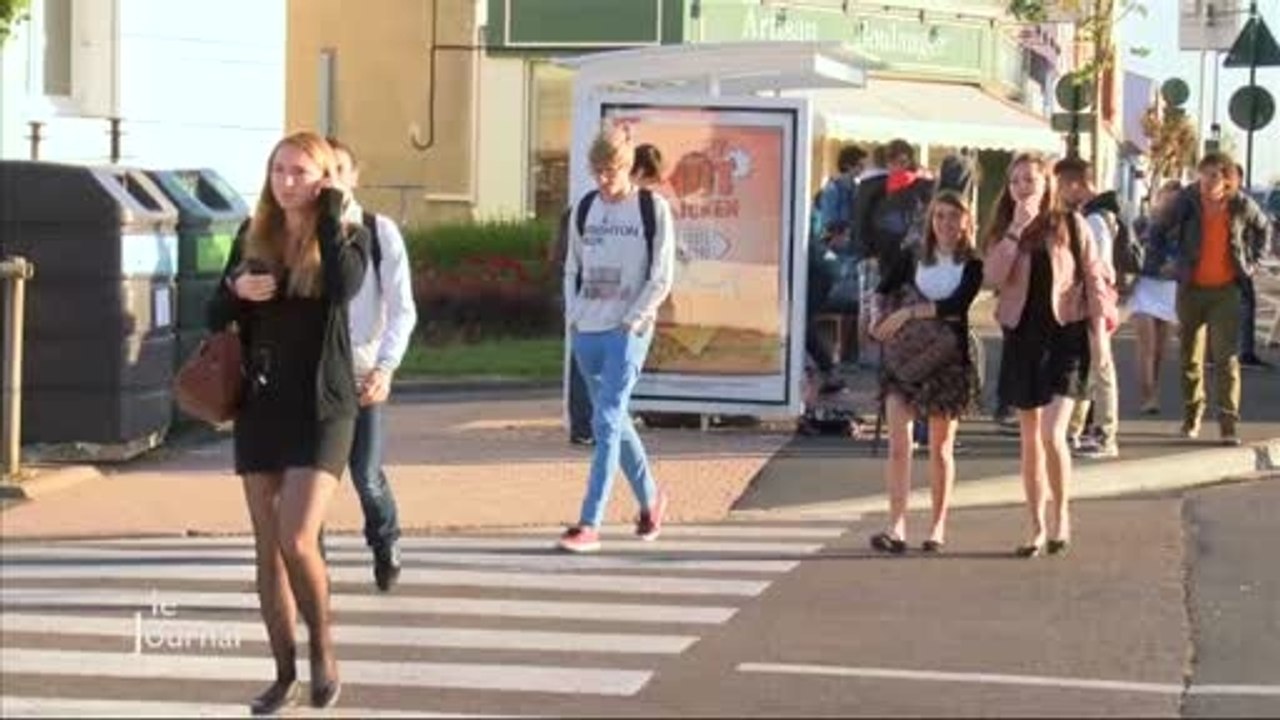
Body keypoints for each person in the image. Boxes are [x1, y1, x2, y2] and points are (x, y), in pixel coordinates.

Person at [207, 131, 369, 712]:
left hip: (324, 408)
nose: (287, 181)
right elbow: (211, 312)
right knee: (267, 548)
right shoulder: (254, 236)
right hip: (263, 405)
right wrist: (236, 289)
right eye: (279, 170)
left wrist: (330, 210)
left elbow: (347, 288)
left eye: (300, 172)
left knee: (298, 537)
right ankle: (283, 674)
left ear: (323, 177)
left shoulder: (349, 233)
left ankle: (324, 649)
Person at [983, 152, 1111, 557]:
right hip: (1023, 337)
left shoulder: (1071, 224)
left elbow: (1094, 277)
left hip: (1065, 335)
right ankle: (1035, 525)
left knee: (1052, 433)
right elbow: (991, 277)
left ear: (1047, 185)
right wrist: (1015, 231)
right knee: (1029, 438)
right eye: (1016, 181)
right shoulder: (1006, 228)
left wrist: (1101, 334)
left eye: (1030, 180)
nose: (1023, 187)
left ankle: (1062, 514)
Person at [557, 128, 676, 553]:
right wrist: (572, 314)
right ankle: (651, 502)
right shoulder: (585, 208)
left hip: (628, 331)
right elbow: (571, 265)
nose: (604, 181)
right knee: (616, 421)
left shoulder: (651, 208)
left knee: (605, 421)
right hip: (587, 328)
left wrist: (633, 320)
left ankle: (590, 522)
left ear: (628, 168)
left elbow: (661, 275)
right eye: (598, 172)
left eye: (611, 172)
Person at [868, 191, 983, 553]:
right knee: (899, 444)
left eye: (954, 216)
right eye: (940, 216)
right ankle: (896, 525)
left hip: (946, 361)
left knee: (940, 447)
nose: (946, 224)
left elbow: (957, 306)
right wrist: (876, 319)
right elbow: (882, 290)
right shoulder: (911, 257)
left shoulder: (973, 264)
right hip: (903, 359)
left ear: (966, 220)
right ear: (931, 221)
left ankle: (937, 527)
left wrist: (909, 313)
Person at [329, 137, 418, 592]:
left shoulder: (377, 231)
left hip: (363, 372)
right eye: (322, 171)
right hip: (312, 376)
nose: (331, 180)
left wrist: (385, 368)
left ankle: (386, 540)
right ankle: (310, 563)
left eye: (339, 170)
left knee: (365, 473)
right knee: (311, 478)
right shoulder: (296, 230)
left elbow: (403, 308)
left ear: (353, 176)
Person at [1147, 152, 1273, 445]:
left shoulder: (1239, 203)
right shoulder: (1187, 201)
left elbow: (1263, 228)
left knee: (1225, 358)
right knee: (1190, 358)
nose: (1207, 181)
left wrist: (1252, 262)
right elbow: (1157, 229)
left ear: (1226, 178)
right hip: (1191, 289)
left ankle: (1228, 424)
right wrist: (1163, 263)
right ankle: (1192, 417)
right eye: (1203, 174)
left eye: (1214, 175)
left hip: (1225, 291)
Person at [1056, 157, 1122, 459]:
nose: (1058, 193)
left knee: (1100, 365)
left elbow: (1097, 267)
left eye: (1061, 185)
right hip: (1088, 299)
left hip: (1093, 300)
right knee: (1086, 366)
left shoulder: (1093, 220)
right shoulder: (1092, 215)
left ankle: (1105, 434)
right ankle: (1074, 430)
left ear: (1076, 184)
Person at [1129, 180, 1183, 414]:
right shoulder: (1143, 223)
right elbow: (1132, 252)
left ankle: (1154, 388)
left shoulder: (1184, 226)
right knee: (1147, 347)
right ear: (1159, 198)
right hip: (1145, 287)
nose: (1170, 204)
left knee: (1161, 350)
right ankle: (1147, 396)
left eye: (1176, 200)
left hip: (1170, 291)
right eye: (1167, 198)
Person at [1229, 163, 1273, 369]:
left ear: (1239, 180)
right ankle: (1212, 354)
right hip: (1206, 267)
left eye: (1230, 177)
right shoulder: (1205, 199)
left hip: (1238, 266)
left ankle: (1245, 353)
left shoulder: (1243, 204)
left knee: (1246, 306)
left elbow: (1265, 227)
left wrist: (1256, 260)